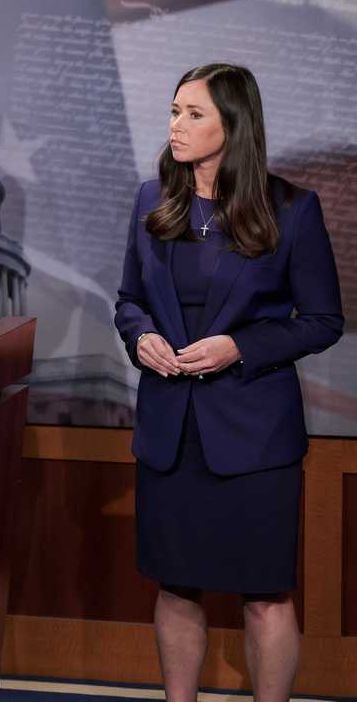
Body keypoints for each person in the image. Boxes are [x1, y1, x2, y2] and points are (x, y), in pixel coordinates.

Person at [114, 63, 343, 700]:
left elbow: (323, 320)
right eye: (173, 110)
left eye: (193, 114)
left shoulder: (293, 210)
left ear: (232, 125)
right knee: (176, 586)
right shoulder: (149, 199)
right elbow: (129, 301)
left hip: (254, 441)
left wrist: (238, 347)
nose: (175, 125)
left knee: (266, 597)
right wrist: (141, 338)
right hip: (170, 431)